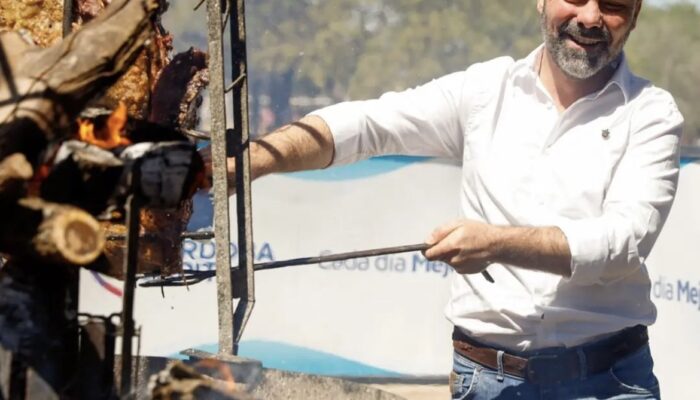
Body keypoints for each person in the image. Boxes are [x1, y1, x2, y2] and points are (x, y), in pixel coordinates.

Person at [218, 0, 683, 398]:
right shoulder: (485, 90)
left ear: (635, 16)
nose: (591, 17)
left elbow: (623, 243)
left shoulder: (651, 113)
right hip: (485, 380)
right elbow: (368, 125)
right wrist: (253, 160)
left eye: (614, 4)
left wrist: (497, 244)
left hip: (607, 380)